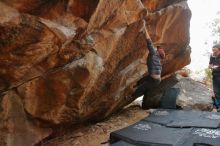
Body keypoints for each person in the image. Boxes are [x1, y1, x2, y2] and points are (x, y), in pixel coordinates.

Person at [132, 26, 165, 102]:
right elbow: (151, 64)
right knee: (141, 80)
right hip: (153, 78)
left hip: (154, 81)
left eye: (157, 49)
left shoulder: (154, 54)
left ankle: (131, 96)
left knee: (142, 87)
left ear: (157, 52)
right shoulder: (157, 59)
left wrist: (145, 28)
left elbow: (149, 41)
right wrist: (143, 62)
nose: (156, 48)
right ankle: (134, 86)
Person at [209, 44, 220, 112]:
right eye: (212, 49)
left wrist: (217, 67)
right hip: (215, 76)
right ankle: (218, 107)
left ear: (218, 49)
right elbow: (210, 64)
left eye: (214, 49)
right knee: (216, 92)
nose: (213, 50)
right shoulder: (212, 56)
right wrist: (210, 66)